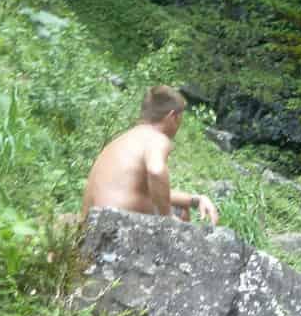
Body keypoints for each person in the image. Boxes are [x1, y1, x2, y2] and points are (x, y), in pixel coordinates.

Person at [82, 85, 219, 225]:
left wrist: (195, 200)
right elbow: (156, 171)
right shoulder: (156, 138)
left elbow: (155, 193)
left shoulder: (122, 141)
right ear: (172, 117)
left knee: (177, 205)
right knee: (181, 212)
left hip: (90, 225)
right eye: (180, 120)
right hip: (115, 224)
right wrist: (167, 218)